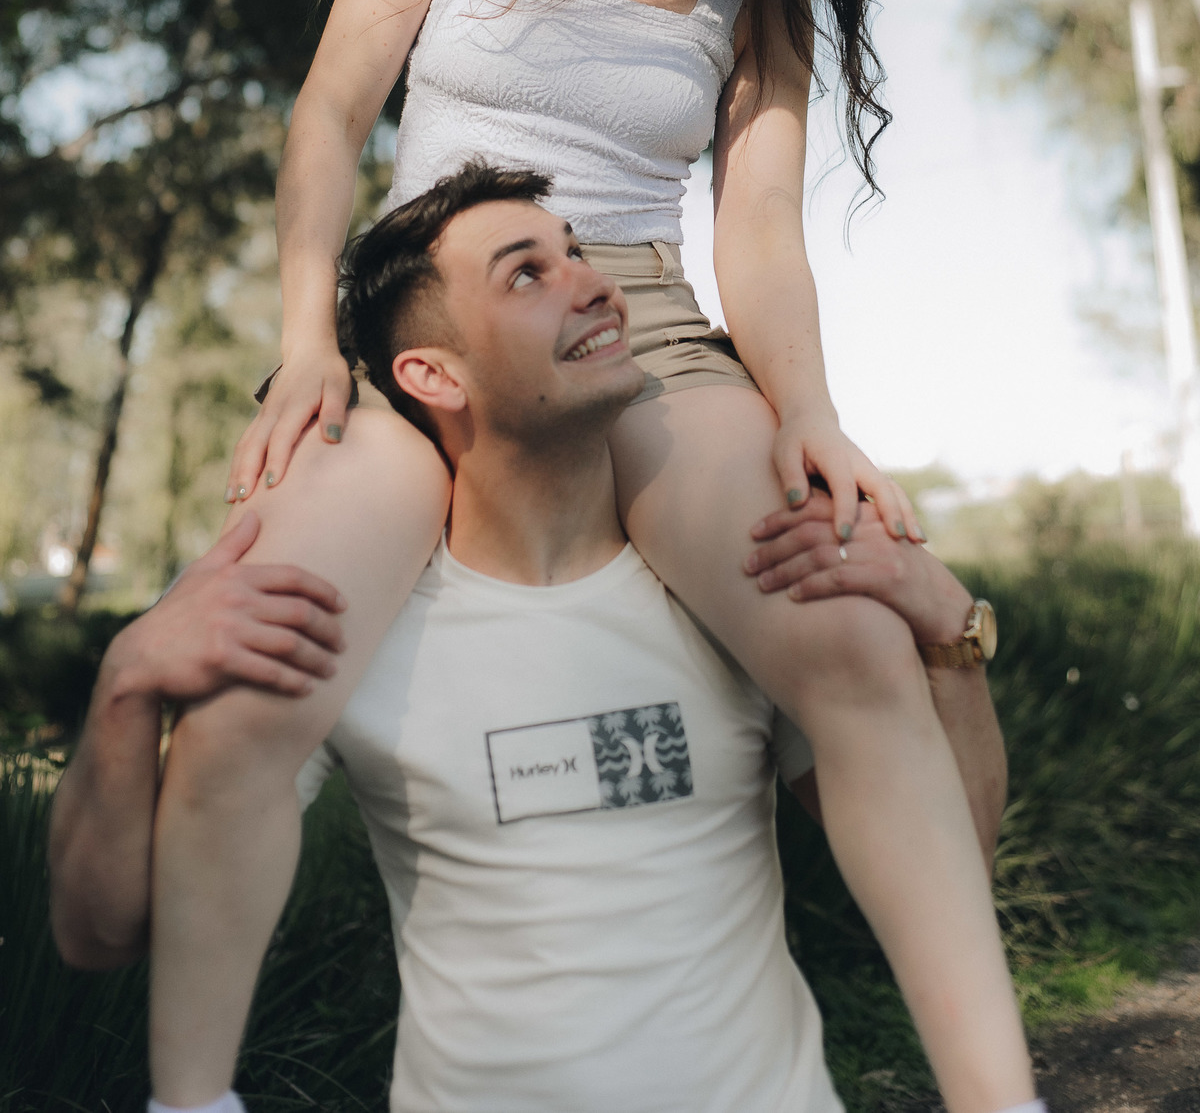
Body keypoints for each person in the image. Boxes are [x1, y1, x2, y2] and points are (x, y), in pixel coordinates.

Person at [145, 0, 1038, 1113]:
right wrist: (306, 341)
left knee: (855, 642)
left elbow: (758, 226)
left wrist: (810, 412)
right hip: (431, 314)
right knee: (255, 666)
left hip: (643, 323)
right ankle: (190, 1097)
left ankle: (1003, 1097)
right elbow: (329, 113)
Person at [50, 165, 1037, 1113]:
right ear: (432, 373)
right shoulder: (356, 625)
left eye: (577, 253)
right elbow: (99, 931)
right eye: (527, 274)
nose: (595, 286)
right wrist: (125, 688)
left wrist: (948, 631)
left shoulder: (739, 590)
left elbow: (960, 851)